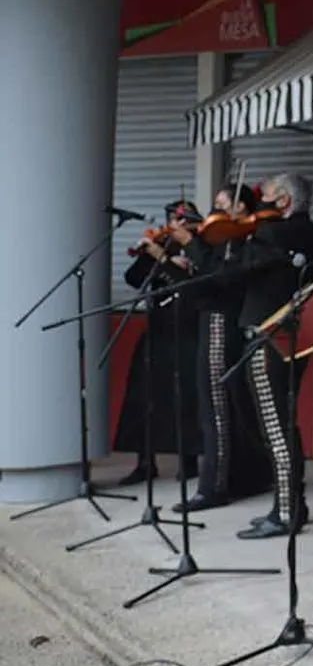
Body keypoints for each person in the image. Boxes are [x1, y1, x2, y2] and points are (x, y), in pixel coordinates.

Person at [232, 172, 313, 540]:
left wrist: (236, 240)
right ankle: (288, 504)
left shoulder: (269, 234)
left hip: (267, 335)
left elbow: (235, 274)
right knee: (281, 422)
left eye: (268, 196)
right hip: (296, 339)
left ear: (284, 202)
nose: (260, 202)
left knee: (274, 427)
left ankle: (287, 510)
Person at [173, 182, 273, 513]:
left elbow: (222, 278)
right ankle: (242, 476)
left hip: (222, 322)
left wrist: (193, 246)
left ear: (241, 208)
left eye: (221, 204)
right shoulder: (221, 239)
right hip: (210, 320)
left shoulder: (243, 239)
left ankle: (214, 485)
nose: (214, 212)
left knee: (216, 403)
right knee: (222, 403)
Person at [115, 199, 202, 485]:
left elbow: (201, 282)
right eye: (170, 220)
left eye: (179, 220)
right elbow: (133, 279)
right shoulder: (160, 245)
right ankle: (144, 461)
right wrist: (150, 256)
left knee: (186, 395)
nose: (172, 226)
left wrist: (171, 263)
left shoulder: (200, 246)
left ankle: (189, 460)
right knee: (144, 395)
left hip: (188, 328)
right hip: (158, 327)